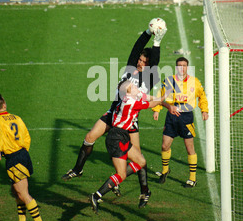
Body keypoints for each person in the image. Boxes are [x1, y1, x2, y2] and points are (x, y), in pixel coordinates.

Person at [62, 19, 167, 208]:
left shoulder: (149, 77)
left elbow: (155, 63)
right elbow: (136, 49)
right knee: (90, 136)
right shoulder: (130, 69)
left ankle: (143, 192)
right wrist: (147, 33)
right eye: (141, 60)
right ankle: (78, 169)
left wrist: (157, 43)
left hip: (129, 120)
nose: (140, 62)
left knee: (139, 159)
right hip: (113, 113)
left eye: (145, 61)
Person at [89, 80, 167, 213]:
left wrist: (160, 98)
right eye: (134, 86)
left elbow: (145, 97)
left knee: (141, 161)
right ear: (129, 91)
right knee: (121, 174)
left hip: (122, 136)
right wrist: (165, 97)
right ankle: (96, 196)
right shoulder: (130, 103)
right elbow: (152, 103)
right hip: (116, 138)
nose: (137, 87)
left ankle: (141, 191)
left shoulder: (126, 98)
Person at [0, 94, 47, 221]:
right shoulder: (17, 118)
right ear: (4, 105)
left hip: (14, 158)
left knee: (23, 193)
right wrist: (23, 152)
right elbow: (26, 136)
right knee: (16, 192)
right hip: (22, 154)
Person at [152, 57, 209, 188]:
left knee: (190, 148)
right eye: (179, 65)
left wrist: (204, 110)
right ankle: (165, 171)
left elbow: (202, 96)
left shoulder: (194, 82)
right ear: (176, 67)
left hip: (186, 117)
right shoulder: (169, 80)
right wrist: (157, 110)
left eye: (184, 65)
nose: (181, 68)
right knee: (165, 146)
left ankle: (192, 178)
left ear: (187, 67)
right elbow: (161, 96)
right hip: (171, 116)